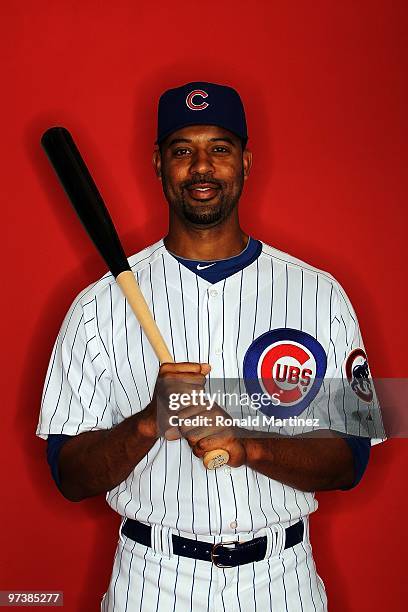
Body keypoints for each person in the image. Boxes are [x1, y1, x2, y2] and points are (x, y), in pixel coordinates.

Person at [37, 81, 384, 611]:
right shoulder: (96, 306)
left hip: (282, 580)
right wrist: (147, 423)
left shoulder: (321, 293)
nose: (202, 166)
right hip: (152, 581)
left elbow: (352, 460)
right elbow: (68, 475)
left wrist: (253, 444)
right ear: (158, 164)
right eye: (183, 150)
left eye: (219, 148)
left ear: (245, 162)